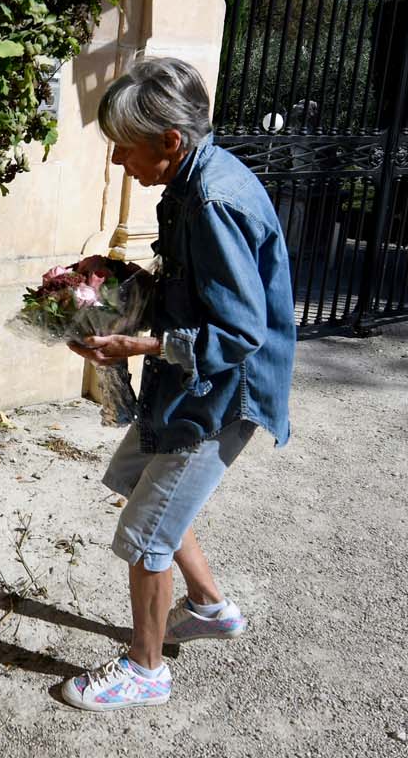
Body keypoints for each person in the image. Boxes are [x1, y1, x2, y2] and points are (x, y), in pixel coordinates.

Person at [59, 55, 296, 712]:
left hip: (221, 394)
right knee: (143, 486)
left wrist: (139, 341)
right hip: (191, 382)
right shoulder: (192, 184)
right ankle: (211, 607)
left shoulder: (214, 201)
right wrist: (114, 280)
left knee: (145, 535)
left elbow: (239, 332)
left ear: (169, 141)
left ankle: (145, 669)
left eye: (122, 148)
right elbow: (189, 290)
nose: (116, 164)